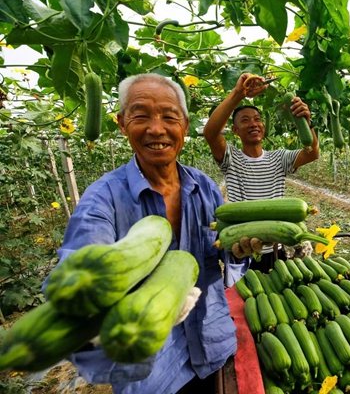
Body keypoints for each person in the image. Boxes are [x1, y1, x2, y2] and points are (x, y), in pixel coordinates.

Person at [42, 73, 236, 393]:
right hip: (151, 373)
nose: (156, 128)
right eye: (141, 115)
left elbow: (223, 254)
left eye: (169, 117)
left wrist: (237, 250)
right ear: (122, 124)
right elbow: (80, 263)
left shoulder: (205, 188)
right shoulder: (102, 197)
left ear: (185, 126)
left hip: (212, 345)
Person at [203, 73, 319, 277]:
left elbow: (312, 152)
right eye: (245, 120)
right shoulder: (230, 158)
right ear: (235, 130)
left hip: (276, 245)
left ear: (263, 127)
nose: (253, 124)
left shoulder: (279, 158)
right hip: (241, 247)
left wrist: (306, 123)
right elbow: (211, 133)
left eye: (257, 119)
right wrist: (238, 94)